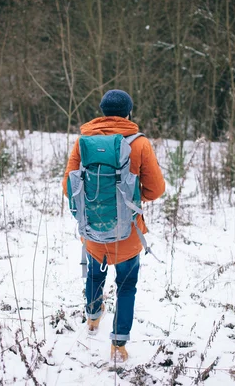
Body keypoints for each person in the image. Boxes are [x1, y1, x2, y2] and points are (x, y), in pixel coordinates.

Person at [62, 89, 165, 361]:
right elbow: (156, 190)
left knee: (95, 274)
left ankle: (93, 317)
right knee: (126, 286)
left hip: (93, 231)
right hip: (128, 234)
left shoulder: (83, 141)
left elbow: (68, 186)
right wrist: (129, 199)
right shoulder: (140, 144)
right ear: (129, 113)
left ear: (102, 111)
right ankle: (118, 344)